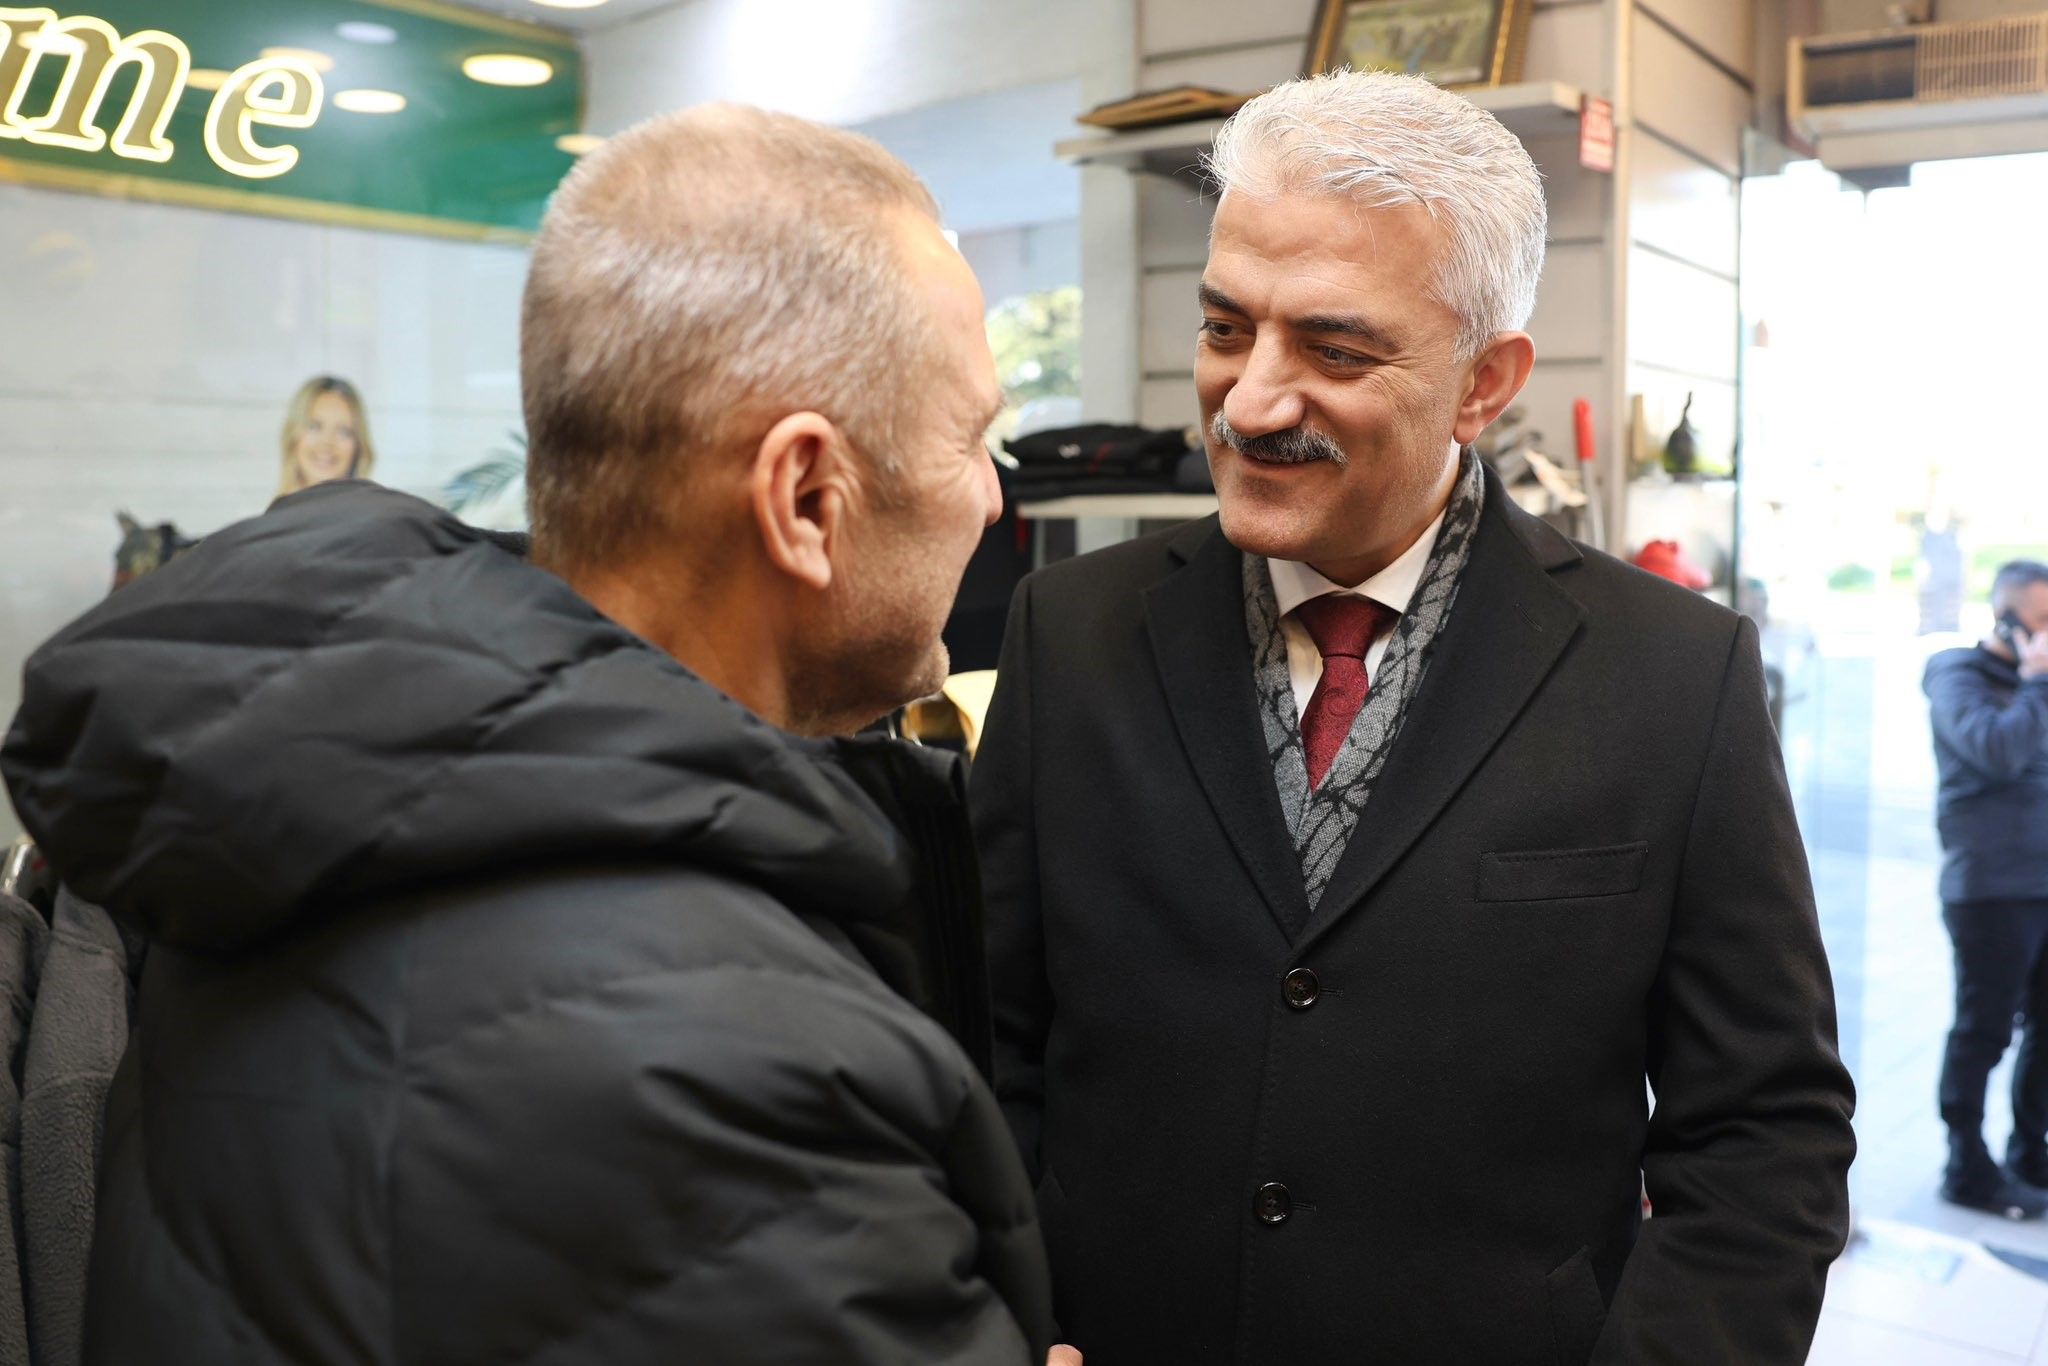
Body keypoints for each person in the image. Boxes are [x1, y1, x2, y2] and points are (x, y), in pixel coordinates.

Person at [3, 105, 1073, 1365]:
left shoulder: (306, 802)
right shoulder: (733, 1077)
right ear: (802, 496)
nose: (992, 494)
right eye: (970, 437)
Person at [972, 71, 1855, 1365]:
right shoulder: (1069, 633)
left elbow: (1763, 1133)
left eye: (1334, 351)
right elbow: (987, 1048)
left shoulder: (1673, 676)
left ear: (1483, 380)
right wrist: (1006, 1321)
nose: (1249, 402)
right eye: (1224, 328)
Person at [1925, 559, 2048, 1217]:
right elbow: (1996, 751)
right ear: (2006, 619)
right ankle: (1966, 1168)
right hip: (1991, 888)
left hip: (2043, 881)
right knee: (1984, 1032)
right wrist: (2037, 682)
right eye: (2043, 620)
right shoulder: (1956, 675)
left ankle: (2031, 1153)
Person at [276, 374, 377, 496]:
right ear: (293, 437)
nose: (327, 442)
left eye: (344, 432)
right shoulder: (275, 509)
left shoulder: (382, 507)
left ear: (358, 446)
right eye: (314, 426)